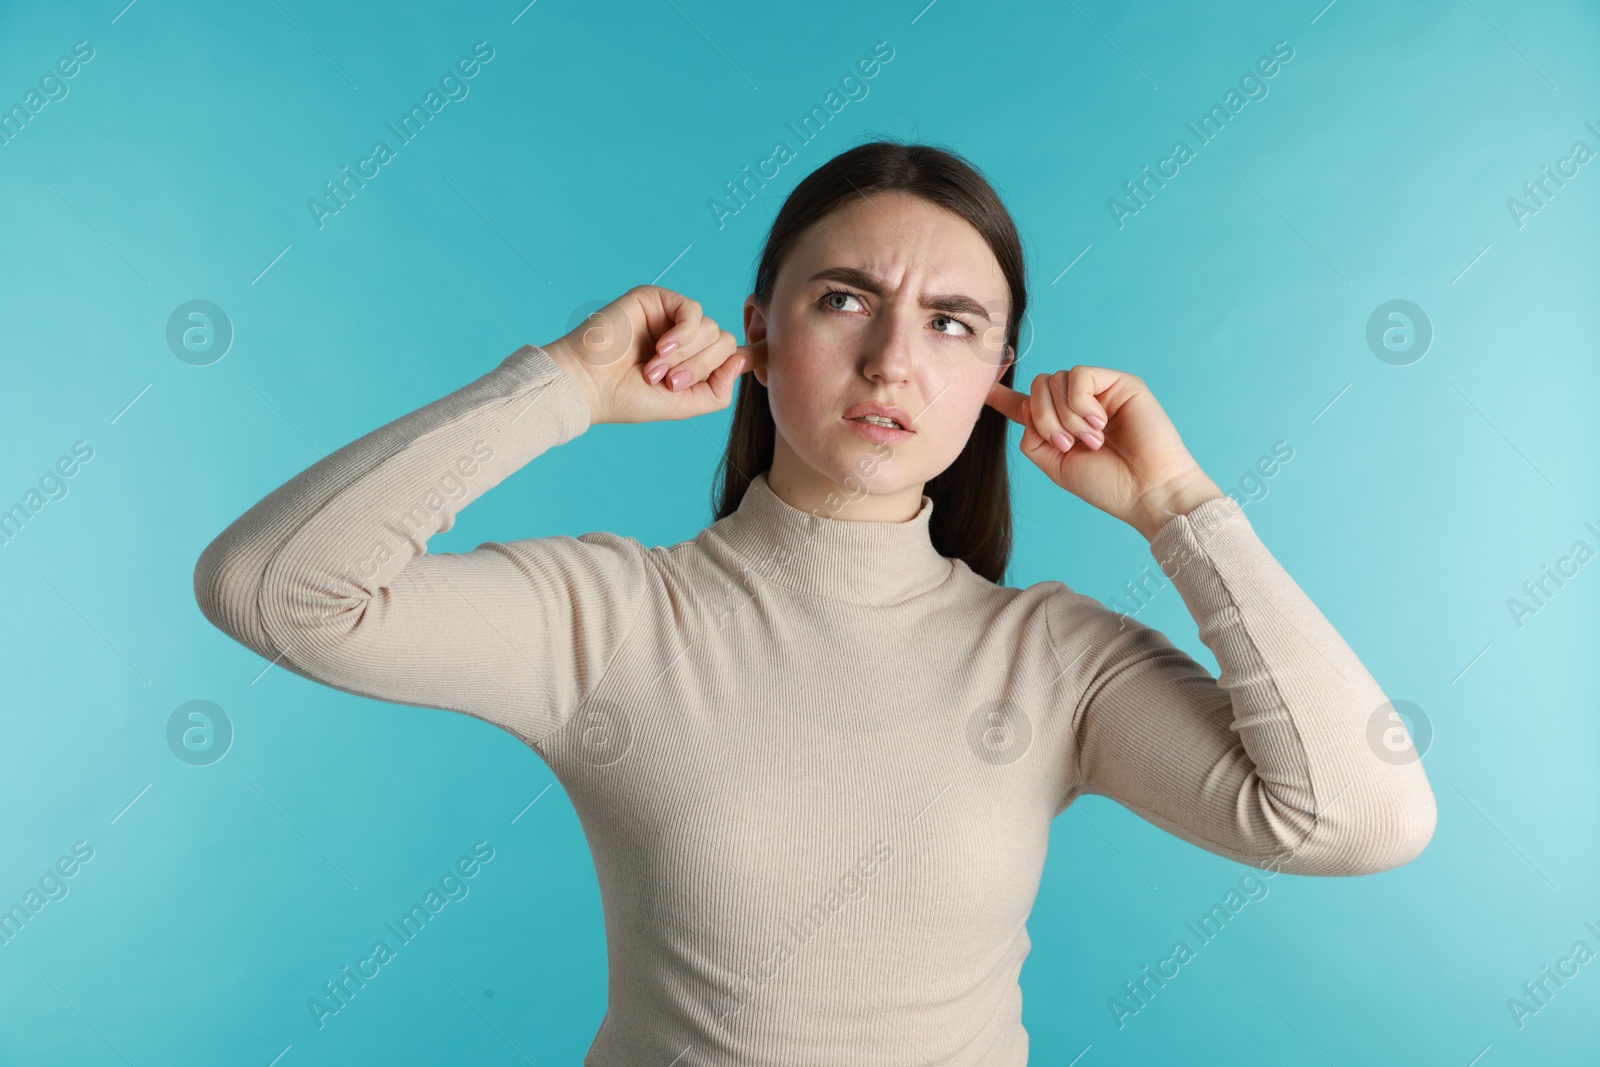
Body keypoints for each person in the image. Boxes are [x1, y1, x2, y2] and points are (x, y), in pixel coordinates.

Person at [193, 140, 1436, 1065]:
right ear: (760, 332)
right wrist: (562, 385)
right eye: (845, 298)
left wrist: (1176, 500)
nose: (893, 359)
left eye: (951, 325)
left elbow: (1357, 817)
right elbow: (273, 589)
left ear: (997, 379)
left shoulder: (1052, 660)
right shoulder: (610, 616)